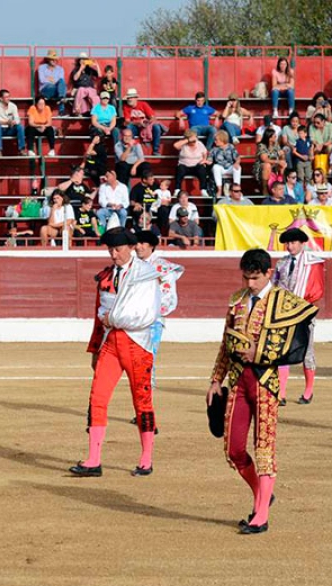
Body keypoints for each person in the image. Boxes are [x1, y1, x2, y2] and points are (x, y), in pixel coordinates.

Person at [208, 250, 318, 535]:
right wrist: (215, 379)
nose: (250, 283)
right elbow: (225, 342)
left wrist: (261, 352)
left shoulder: (285, 301)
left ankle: (261, 516)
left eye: (255, 278)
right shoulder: (237, 299)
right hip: (238, 381)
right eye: (246, 277)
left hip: (266, 382)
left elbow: (298, 341)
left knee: (264, 448)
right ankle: (262, 495)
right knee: (233, 449)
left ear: (269, 273)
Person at [71, 228, 160, 479]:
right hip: (110, 343)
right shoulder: (107, 276)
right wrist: (94, 349)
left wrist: (114, 318)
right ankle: (93, 459)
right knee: (97, 398)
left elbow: (146, 315)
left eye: (118, 249)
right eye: (110, 249)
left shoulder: (145, 275)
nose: (113, 254)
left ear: (130, 248)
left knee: (142, 402)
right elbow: (98, 316)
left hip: (137, 344)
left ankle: (146, 458)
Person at [134, 230, 184, 417]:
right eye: (136, 243)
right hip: (132, 322)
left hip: (152, 322)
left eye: (142, 244)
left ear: (151, 246)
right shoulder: (133, 266)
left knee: (147, 363)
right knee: (135, 365)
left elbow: (168, 298)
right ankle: (141, 408)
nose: (138, 247)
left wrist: (149, 313)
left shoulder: (163, 268)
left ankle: (146, 409)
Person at [272, 228, 325, 406]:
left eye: (293, 242)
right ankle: (282, 393)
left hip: (304, 313)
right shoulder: (282, 264)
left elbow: (316, 289)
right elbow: (274, 286)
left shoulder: (312, 263)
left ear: (302, 244)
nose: (289, 246)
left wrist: (303, 309)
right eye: (287, 243)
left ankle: (309, 390)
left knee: (307, 351)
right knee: (282, 351)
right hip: (285, 314)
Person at [122, 88, 165, 153]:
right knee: (128, 128)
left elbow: (153, 117)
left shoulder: (143, 104)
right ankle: (130, 149)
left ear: (136, 98)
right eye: (128, 98)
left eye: (131, 98)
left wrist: (146, 123)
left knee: (156, 127)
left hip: (146, 126)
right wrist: (138, 122)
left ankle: (156, 150)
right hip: (135, 127)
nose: (129, 99)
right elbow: (127, 121)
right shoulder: (126, 107)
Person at [0, 89, 27, 156]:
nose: (8, 98)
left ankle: (22, 149)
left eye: (9, 96)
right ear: (1, 98)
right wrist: (6, 122)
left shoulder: (13, 106)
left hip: (10, 129)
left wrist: (13, 122)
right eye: (6, 97)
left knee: (20, 127)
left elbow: (17, 119)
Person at [173, 129, 209, 195]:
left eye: (195, 138)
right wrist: (188, 140)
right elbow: (175, 145)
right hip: (184, 165)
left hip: (196, 166)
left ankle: (203, 190)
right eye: (192, 140)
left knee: (202, 168)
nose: (194, 141)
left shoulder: (199, 144)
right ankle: (177, 190)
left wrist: (204, 160)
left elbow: (205, 153)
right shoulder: (183, 144)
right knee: (180, 168)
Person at [209, 130, 241, 197]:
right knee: (215, 167)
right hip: (220, 168)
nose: (215, 141)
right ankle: (219, 189)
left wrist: (237, 163)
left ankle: (236, 189)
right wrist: (207, 161)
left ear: (222, 139)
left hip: (230, 167)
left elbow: (237, 157)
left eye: (216, 140)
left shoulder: (231, 147)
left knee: (238, 167)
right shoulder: (214, 149)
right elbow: (210, 160)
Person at [253, 129, 286, 195]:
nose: (276, 137)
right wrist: (278, 161)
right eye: (274, 136)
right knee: (267, 165)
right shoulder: (261, 145)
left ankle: (280, 184)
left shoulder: (276, 144)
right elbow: (264, 159)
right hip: (261, 167)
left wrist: (282, 155)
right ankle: (264, 188)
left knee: (283, 164)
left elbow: (281, 157)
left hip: (274, 165)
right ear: (269, 138)